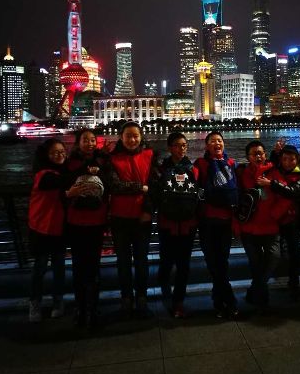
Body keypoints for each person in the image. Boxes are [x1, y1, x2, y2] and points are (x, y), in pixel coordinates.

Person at [65, 129, 110, 328]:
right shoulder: (70, 163)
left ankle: (92, 307)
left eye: (93, 140)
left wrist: (100, 165)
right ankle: (80, 307)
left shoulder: (102, 162)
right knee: (78, 265)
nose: (90, 143)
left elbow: (108, 186)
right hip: (76, 220)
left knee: (93, 265)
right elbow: (64, 184)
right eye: (86, 140)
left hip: (97, 220)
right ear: (78, 143)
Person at [152, 132, 200, 318]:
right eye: (177, 145)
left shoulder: (194, 169)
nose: (181, 149)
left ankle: (178, 301)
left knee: (183, 264)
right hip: (167, 223)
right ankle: (164, 286)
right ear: (170, 147)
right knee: (166, 261)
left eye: (184, 145)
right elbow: (155, 194)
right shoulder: (161, 170)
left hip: (188, 224)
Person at [110, 121, 154, 318]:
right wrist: (140, 188)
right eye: (128, 135)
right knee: (123, 261)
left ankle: (142, 297)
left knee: (142, 260)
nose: (132, 139)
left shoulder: (150, 156)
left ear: (141, 136)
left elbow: (154, 186)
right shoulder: (112, 159)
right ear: (121, 137)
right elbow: (114, 186)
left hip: (142, 218)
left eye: (135, 135)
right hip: (119, 218)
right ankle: (126, 297)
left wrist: (148, 209)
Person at [194, 131, 239, 318]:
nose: (217, 143)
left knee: (222, 262)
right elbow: (194, 186)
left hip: (226, 221)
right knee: (214, 263)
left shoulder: (232, 163)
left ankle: (219, 302)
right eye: (212, 141)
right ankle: (228, 300)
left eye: (219, 140)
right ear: (206, 146)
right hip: (207, 221)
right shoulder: (200, 164)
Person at [235, 141, 283, 310]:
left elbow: (284, 196)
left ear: (265, 155)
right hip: (249, 228)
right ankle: (262, 297)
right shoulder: (242, 174)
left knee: (274, 257)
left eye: (261, 153)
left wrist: (275, 214)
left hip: (270, 226)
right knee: (255, 264)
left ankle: (255, 290)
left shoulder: (274, 171)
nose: (258, 156)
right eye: (254, 153)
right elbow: (237, 200)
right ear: (248, 157)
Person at [28, 139, 67, 323]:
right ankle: (35, 302)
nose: (60, 155)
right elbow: (57, 182)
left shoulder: (61, 171)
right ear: (46, 155)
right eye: (55, 152)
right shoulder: (43, 174)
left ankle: (57, 301)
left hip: (58, 228)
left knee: (58, 268)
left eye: (62, 151)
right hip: (42, 229)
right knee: (40, 268)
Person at [258, 145, 300, 299]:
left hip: (291, 221)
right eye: (285, 159)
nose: (288, 162)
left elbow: (292, 192)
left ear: (297, 160)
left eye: (292, 159)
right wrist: (274, 153)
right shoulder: (275, 172)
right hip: (276, 219)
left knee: (294, 253)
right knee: (275, 254)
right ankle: (262, 285)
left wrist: (271, 184)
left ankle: (294, 284)